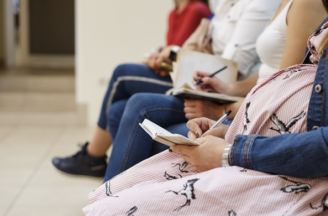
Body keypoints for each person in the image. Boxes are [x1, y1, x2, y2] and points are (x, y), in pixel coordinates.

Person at [81, 0, 328, 216]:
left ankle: (91, 157)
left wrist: (230, 151)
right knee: (98, 207)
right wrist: (232, 126)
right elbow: (308, 89)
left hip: (322, 178)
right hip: (268, 143)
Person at [102, 0, 328, 182]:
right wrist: (228, 88)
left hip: (260, 116)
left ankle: (108, 203)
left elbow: (281, 92)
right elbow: (265, 73)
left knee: (138, 104)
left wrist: (220, 107)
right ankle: (119, 202)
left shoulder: (304, 4)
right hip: (250, 100)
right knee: (119, 111)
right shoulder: (282, 3)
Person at [53, 0, 280, 178]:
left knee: (129, 87)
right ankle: (117, 197)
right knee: (117, 110)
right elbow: (204, 51)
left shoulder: (219, 7)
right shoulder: (222, 5)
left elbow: (231, 64)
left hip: (218, 90)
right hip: (206, 81)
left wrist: (175, 55)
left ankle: (100, 178)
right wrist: (170, 55)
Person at [51, 0, 211, 177]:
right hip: (173, 73)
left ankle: (93, 156)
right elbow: (171, 52)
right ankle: (110, 172)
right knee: (116, 110)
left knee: (122, 74)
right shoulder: (174, 13)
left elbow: (183, 57)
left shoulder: (197, 9)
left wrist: (164, 56)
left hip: (188, 80)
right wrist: (159, 56)